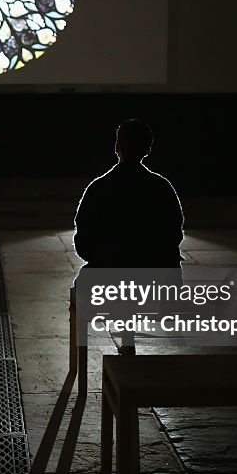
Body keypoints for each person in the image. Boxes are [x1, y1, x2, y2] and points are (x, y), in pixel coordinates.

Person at [73, 118, 184, 355]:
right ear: (148, 149)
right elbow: (174, 235)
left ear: (117, 148)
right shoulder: (162, 189)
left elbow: (83, 245)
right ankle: (128, 334)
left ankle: (125, 335)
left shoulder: (98, 188)